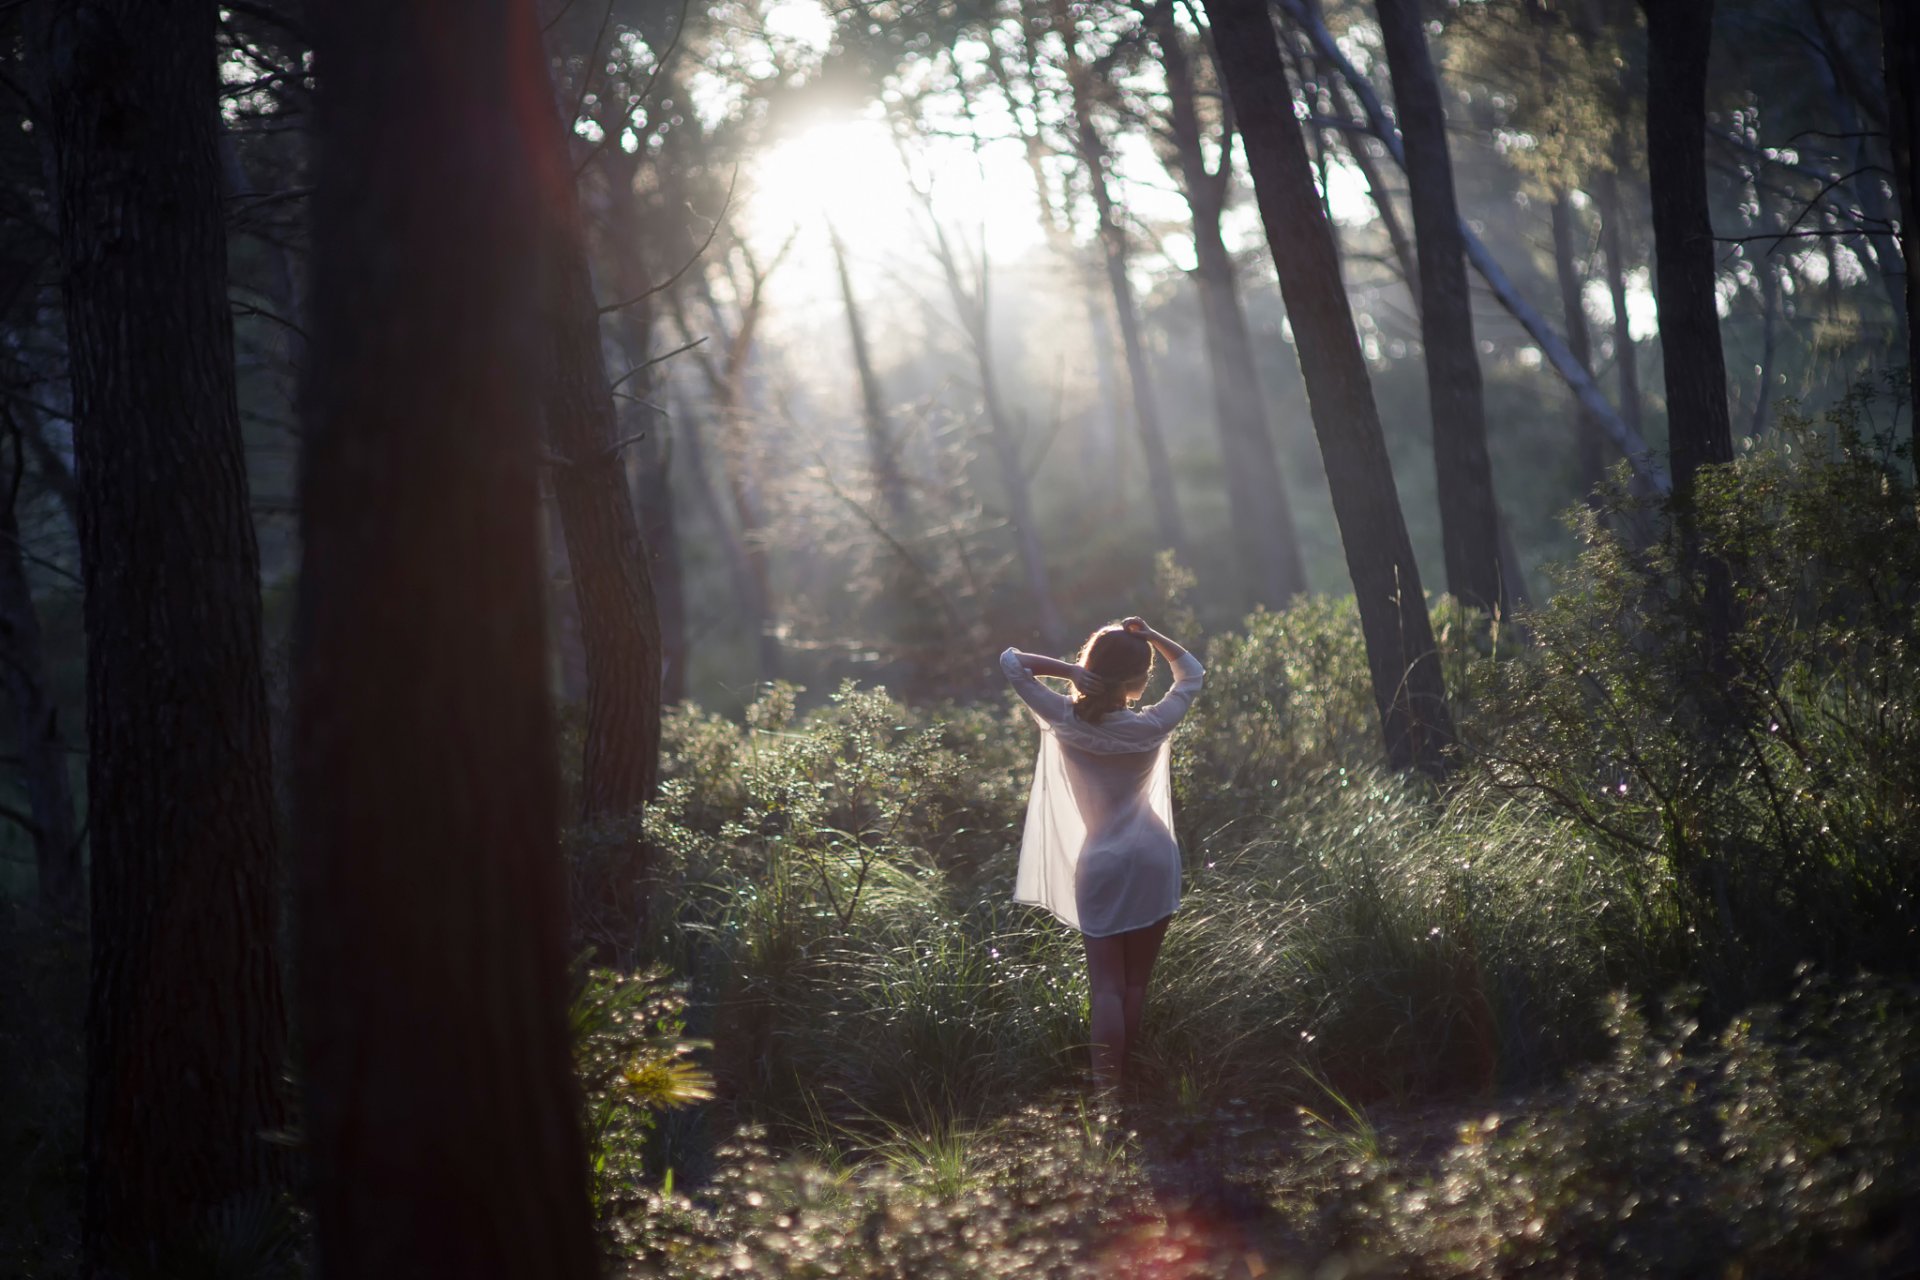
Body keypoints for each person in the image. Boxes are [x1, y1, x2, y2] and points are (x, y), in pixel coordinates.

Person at [998, 616, 1205, 1087]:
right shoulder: (1152, 723)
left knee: (1106, 987)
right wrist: (1152, 636)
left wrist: (1068, 673)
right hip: (1154, 856)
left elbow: (1012, 663)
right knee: (1136, 984)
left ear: (1090, 666)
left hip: (1101, 863)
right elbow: (1191, 672)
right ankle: (1135, 1082)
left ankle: (1108, 1098)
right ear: (1138, 680)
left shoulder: (1063, 717)